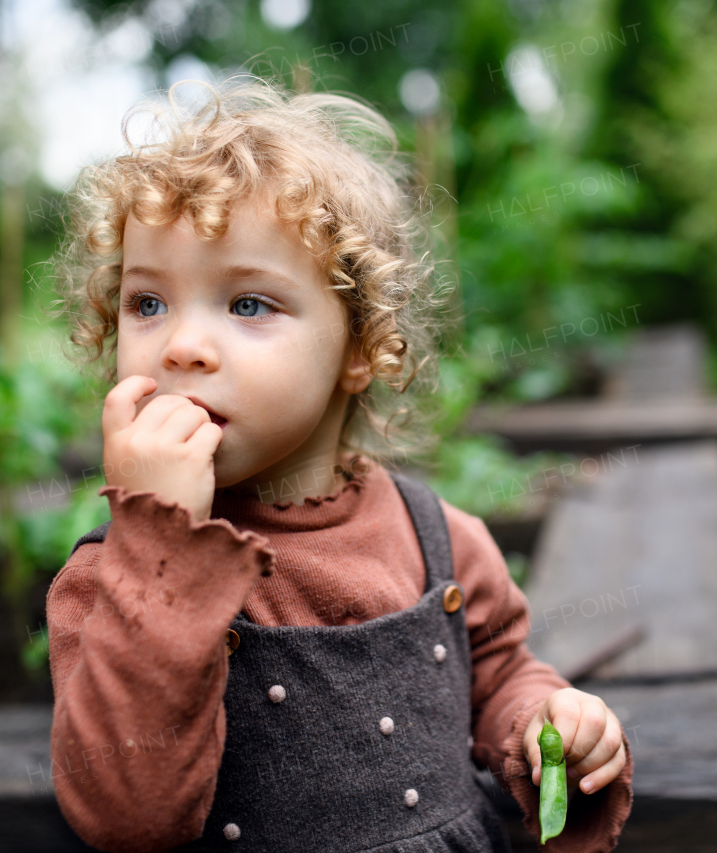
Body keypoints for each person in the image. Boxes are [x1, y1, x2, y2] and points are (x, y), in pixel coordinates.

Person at [44, 73, 633, 853]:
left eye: (248, 303)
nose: (180, 345)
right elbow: (127, 815)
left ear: (358, 347)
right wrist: (164, 544)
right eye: (147, 302)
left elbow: (495, 670)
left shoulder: (437, 539)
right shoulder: (115, 578)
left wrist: (547, 719)